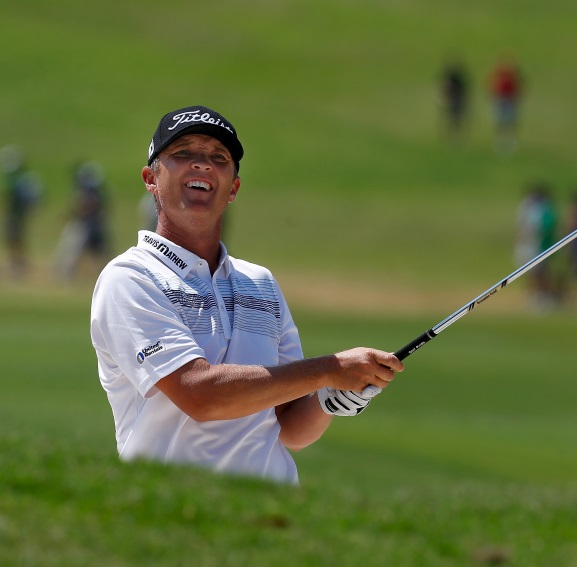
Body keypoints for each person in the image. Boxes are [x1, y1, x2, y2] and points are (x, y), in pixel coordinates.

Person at [90, 106, 403, 484]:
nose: (202, 165)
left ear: (233, 188)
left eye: (218, 158)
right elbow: (199, 395)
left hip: (268, 515)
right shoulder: (130, 278)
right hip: (171, 510)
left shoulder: (260, 282)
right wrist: (328, 370)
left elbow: (289, 427)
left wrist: (328, 399)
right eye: (183, 153)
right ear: (150, 179)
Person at [55, 161, 111, 279]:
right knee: (89, 252)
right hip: (90, 225)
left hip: (87, 226)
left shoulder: (90, 192)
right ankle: (66, 274)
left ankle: (66, 274)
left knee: (76, 250)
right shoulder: (96, 192)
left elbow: (84, 207)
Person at [0, 145, 42, 277]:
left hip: (15, 216)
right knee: (14, 240)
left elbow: (9, 200)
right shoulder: (20, 179)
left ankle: (19, 265)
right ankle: (17, 264)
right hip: (16, 216)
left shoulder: (18, 181)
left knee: (15, 240)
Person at [487, 54, 522, 153]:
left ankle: (512, 142)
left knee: (511, 122)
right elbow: (493, 85)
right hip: (500, 100)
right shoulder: (499, 75)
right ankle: (499, 141)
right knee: (500, 121)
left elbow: (518, 88)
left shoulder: (513, 76)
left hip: (510, 100)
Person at [440, 59, 469, 141]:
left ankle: (455, 136)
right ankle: (451, 136)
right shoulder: (451, 78)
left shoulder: (457, 79)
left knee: (456, 119)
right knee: (452, 119)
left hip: (456, 101)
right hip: (452, 101)